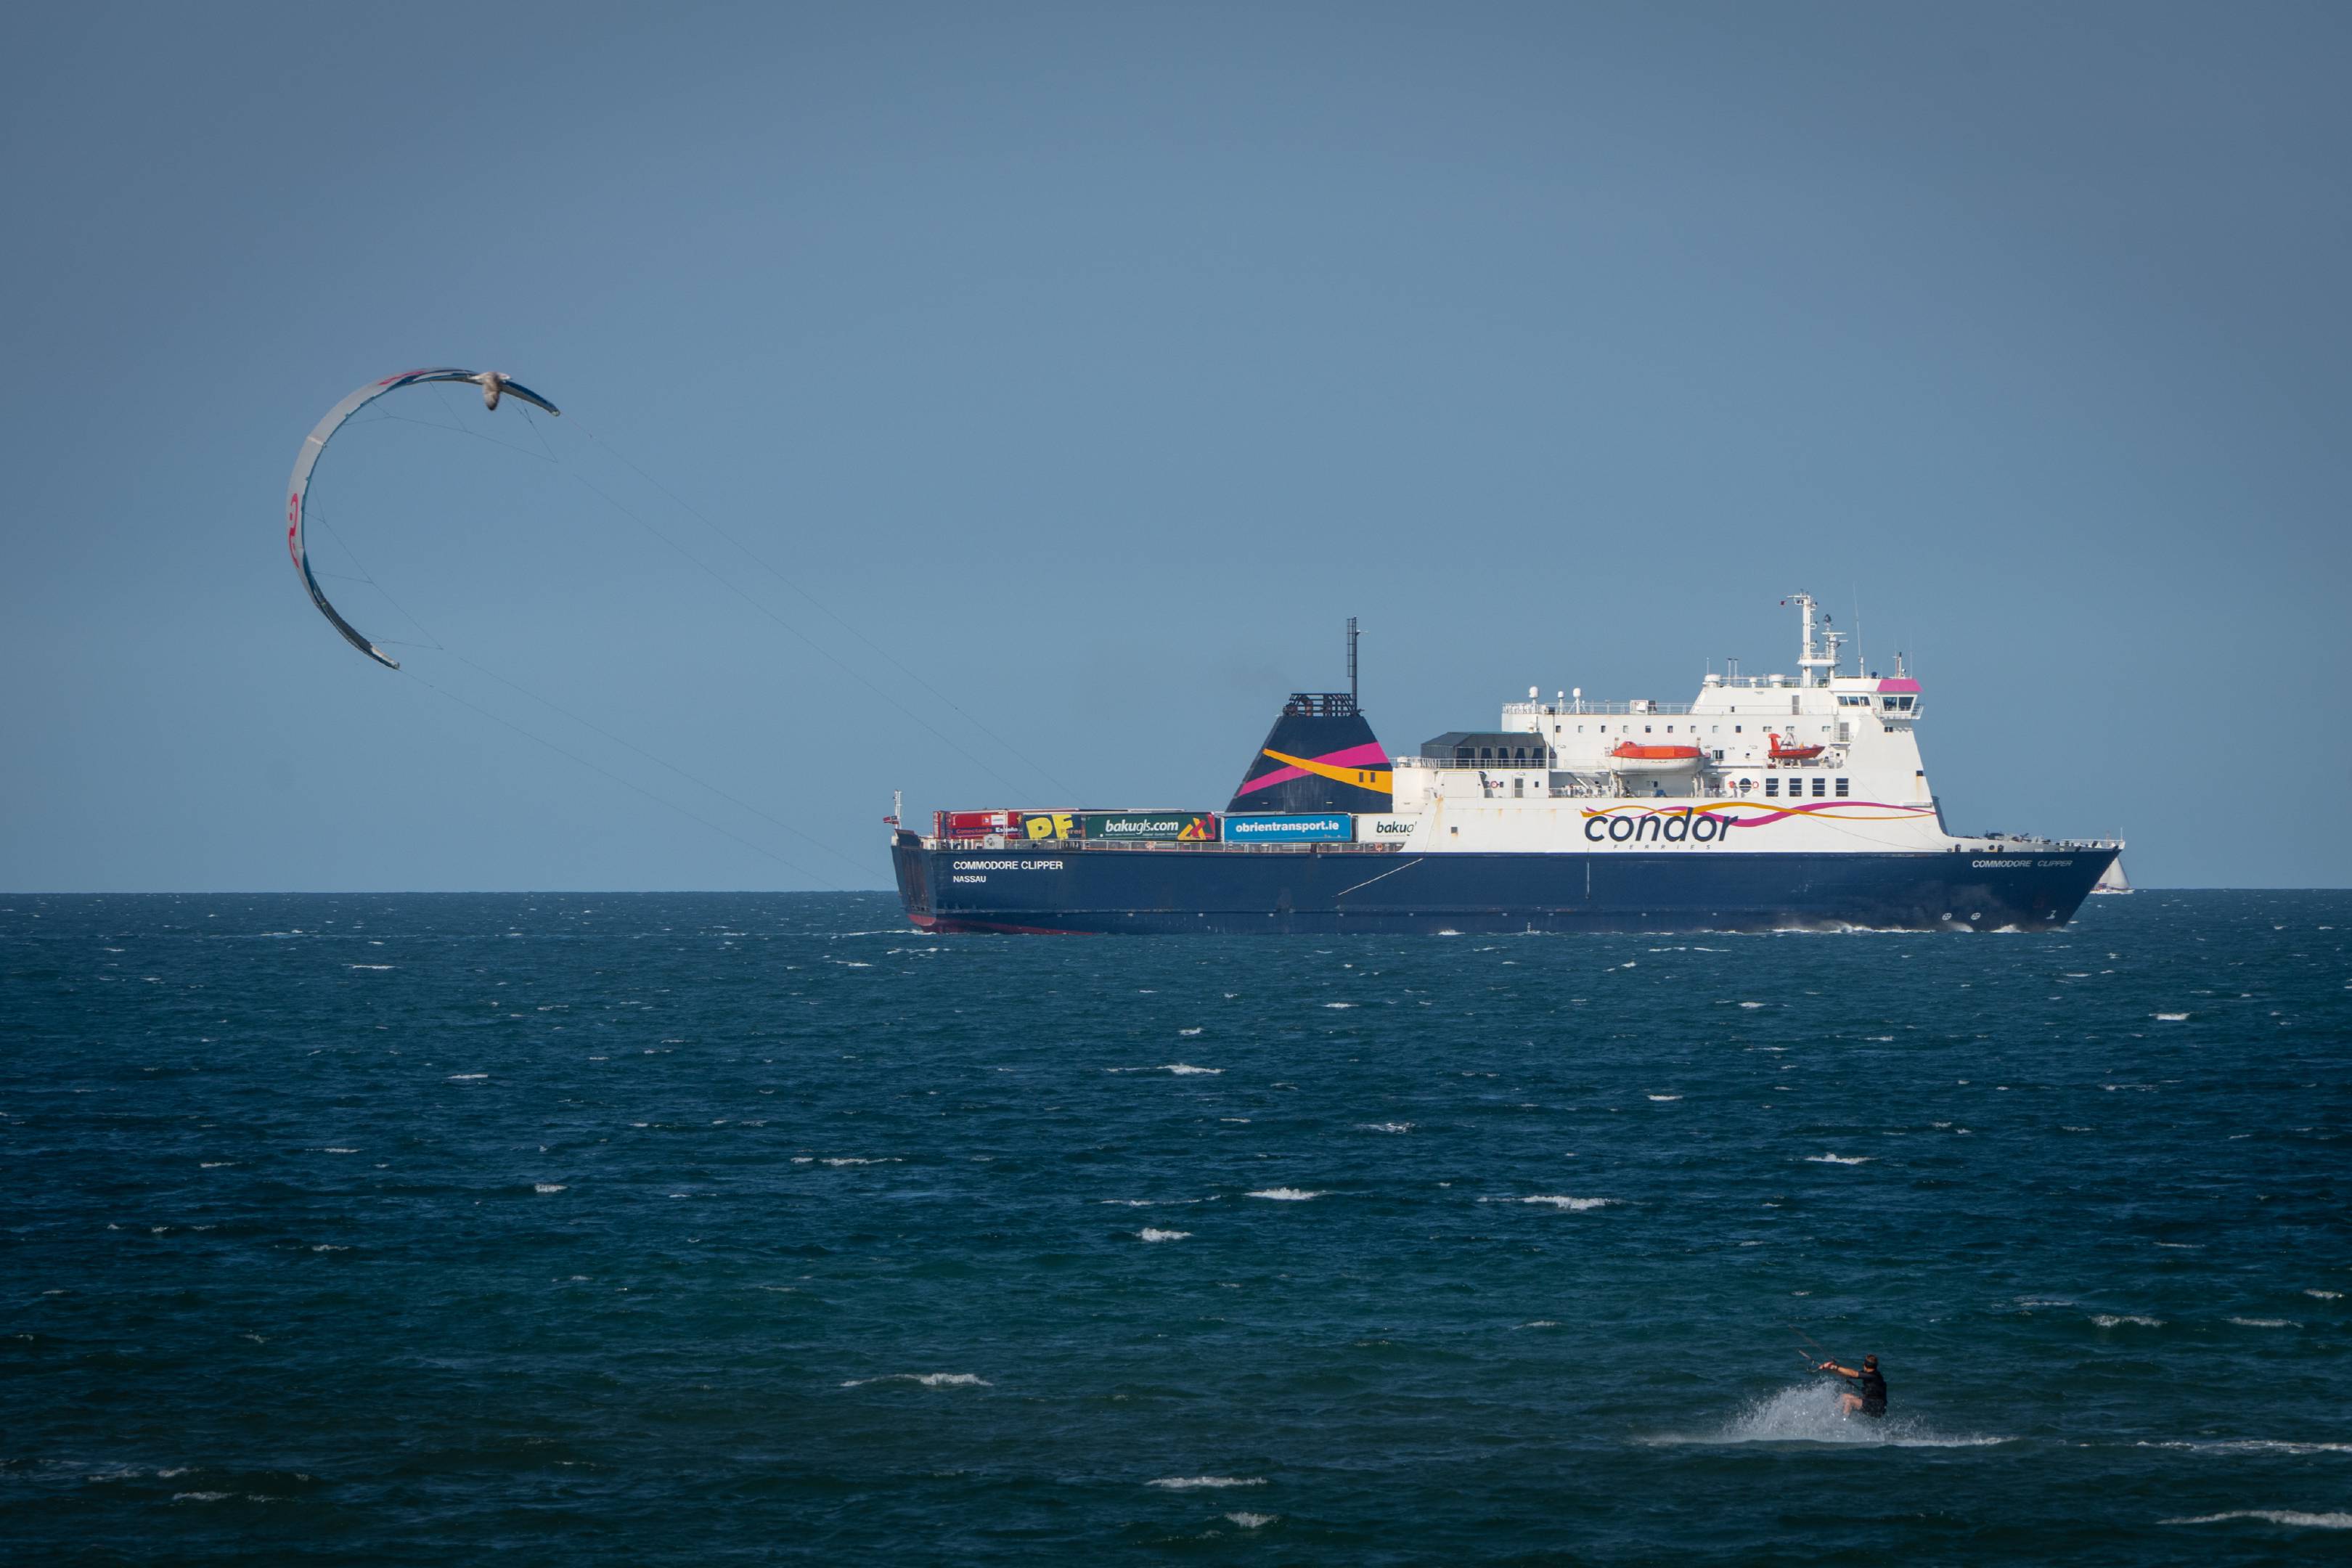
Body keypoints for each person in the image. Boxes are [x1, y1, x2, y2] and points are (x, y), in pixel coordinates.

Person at [1819, 1354, 1887, 1418]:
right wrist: (1829, 1368)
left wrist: (1835, 1367)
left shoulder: (1873, 1376)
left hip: (1877, 1407)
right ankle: (1833, 1416)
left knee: (1849, 1401)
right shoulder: (1868, 1373)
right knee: (1844, 1396)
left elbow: (1854, 1374)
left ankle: (1843, 1423)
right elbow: (1847, 1374)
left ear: (1865, 1365)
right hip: (1869, 1401)